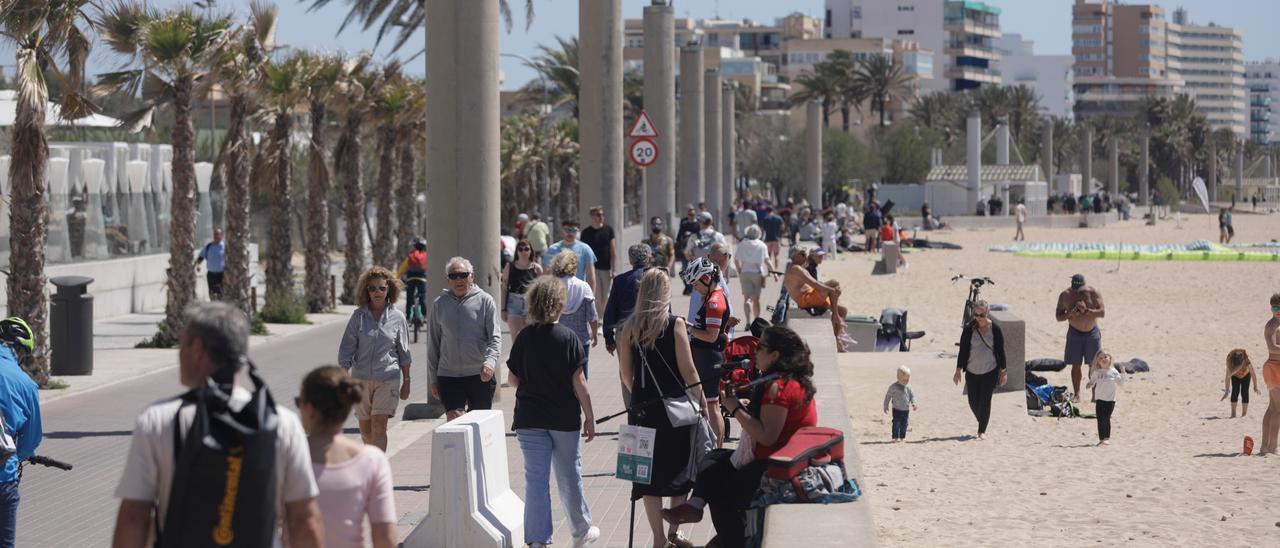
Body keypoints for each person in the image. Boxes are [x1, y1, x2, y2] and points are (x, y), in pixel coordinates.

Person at [112, 303, 322, 547]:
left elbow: (133, 517)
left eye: (182, 344)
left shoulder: (159, 420)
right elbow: (305, 520)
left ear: (197, 348)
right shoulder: (282, 423)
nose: (179, 354)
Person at [662, 326, 818, 548]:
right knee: (713, 459)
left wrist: (735, 409)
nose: (755, 351)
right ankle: (695, 506)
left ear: (775, 355)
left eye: (761, 347)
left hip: (779, 467)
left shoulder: (780, 388)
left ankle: (729, 541)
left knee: (722, 494)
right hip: (776, 460)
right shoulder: (786, 380)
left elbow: (767, 437)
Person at [507, 277, 601, 547]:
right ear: (560, 304)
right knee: (569, 474)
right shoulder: (568, 338)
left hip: (529, 418)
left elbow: (513, 380)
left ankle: (538, 540)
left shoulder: (524, 336)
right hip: (563, 418)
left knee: (535, 480)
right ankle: (580, 530)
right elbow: (579, 384)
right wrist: (590, 418)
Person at [618, 269, 708, 548]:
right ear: (665, 293)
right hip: (674, 412)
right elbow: (689, 370)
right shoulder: (675, 324)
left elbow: (625, 374)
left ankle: (658, 537)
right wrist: (702, 402)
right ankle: (672, 534)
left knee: (646, 477)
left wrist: (642, 396)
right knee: (678, 473)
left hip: (643, 412)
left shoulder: (628, 327)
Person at [297, 366, 396, 548]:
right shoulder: (372, 461)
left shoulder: (288, 459)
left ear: (310, 409)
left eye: (299, 402)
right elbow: (385, 537)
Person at [338, 267, 412, 451]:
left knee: (379, 427)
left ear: (389, 290)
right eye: (372, 288)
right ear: (366, 291)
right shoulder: (358, 317)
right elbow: (347, 349)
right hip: (360, 379)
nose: (377, 292)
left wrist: (407, 381)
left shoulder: (397, 317)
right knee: (366, 431)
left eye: (381, 288)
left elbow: (404, 352)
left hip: (388, 379)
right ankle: (372, 465)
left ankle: (377, 473)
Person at [427, 257, 502, 421]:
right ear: (448, 280)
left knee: (478, 423)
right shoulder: (439, 304)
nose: (458, 279)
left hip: (479, 374)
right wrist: (433, 378)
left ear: (472, 276)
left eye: (463, 275)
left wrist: (490, 362)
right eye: (453, 276)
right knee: (455, 419)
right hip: (449, 374)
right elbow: (433, 343)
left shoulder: (485, 301)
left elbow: (495, 338)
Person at [683, 258, 736, 448]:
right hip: (707, 357)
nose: (695, 288)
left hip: (709, 358)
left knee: (712, 405)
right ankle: (715, 446)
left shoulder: (714, 301)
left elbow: (711, 336)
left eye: (696, 284)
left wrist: (687, 328)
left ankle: (717, 447)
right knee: (711, 403)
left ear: (706, 278)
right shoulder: (714, 296)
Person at [0, 317, 40, 545]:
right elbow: (31, 438)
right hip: (2, 476)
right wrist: (20, 457)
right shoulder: (25, 384)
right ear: (20, 351)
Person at [953, 300, 1007, 440]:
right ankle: (982, 420)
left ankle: (981, 430)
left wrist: (1003, 371)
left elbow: (1000, 351)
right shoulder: (969, 329)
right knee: (972, 401)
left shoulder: (995, 329)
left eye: (981, 314)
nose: (978, 317)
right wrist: (958, 369)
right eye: (975, 314)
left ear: (987, 313)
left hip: (990, 370)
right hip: (972, 370)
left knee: (985, 400)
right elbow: (963, 350)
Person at [782, 247, 854, 351]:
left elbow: (815, 284)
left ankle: (837, 337)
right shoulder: (795, 269)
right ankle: (835, 316)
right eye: (803, 254)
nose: (805, 256)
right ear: (796, 256)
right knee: (833, 283)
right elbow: (814, 284)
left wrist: (831, 290)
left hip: (811, 296)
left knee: (843, 310)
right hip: (805, 300)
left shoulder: (799, 267)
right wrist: (832, 290)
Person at [550, 251, 600, 378]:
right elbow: (592, 316)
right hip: (581, 339)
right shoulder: (584, 287)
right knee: (581, 376)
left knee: (558, 377)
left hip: (556, 339)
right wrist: (594, 334)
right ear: (574, 266)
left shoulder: (551, 286)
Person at [1056, 274, 1105, 402]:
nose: (1077, 291)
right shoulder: (1065, 295)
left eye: (1080, 288)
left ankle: (1095, 395)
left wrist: (1087, 311)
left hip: (1092, 332)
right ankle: (1077, 394)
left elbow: (1102, 312)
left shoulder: (1093, 292)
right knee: (1075, 365)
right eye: (1075, 288)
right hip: (1074, 333)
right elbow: (1058, 317)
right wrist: (1070, 313)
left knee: (1093, 365)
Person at [603, 244, 652, 355]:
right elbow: (665, 308)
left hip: (625, 332)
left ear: (630, 260)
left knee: (626, 371)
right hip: (652, 331)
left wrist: (609, 338)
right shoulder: (658, 277)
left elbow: (611, 310)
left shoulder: (620, 280)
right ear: (649, 258)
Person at [580, 206, 617, 320]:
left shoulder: (608, 230)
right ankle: (599, 319)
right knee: (596, 295)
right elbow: (583, 253)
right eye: (598, 215)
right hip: (592, 269)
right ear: (592, 217)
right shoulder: (586, 233)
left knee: (605, 295)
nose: (601, 217)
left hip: (606, 268)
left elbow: (613, 251)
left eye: (602, 214)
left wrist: (614, 269)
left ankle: (603, 317)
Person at [501, 239, 543, 341]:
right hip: (513, 303)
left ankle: (528, 357)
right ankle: (516, 357)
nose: (523, 252)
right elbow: (504, 288)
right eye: (520, 249)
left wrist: (541, 309)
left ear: (530, 251)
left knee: (530, 339)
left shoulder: (536, 268)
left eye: (526, 249)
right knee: (516, 339)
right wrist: (503, 309)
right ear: (517, 252)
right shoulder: (509, 266)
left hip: (531, 304)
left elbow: (540, 291)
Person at [544, 220, 598, 291]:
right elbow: (546, 274)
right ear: (562, 230)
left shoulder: (585, 249)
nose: (570, 233)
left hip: (578, 291)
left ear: (578, 231)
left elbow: (591, 277)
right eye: (567, 230)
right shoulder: (552, 249)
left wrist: (591, 297)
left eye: (573, 230)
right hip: (557, 291)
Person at [735, 226, 773, 325]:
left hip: (745, 272)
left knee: (747, 298)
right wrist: (773, 272)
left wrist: (739, 270)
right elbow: (767, 260)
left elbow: (736, 259)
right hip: (757, 272)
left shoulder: (742, 244)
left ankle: (747, 321)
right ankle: (756, 320)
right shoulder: (762, 245)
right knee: (756, 299)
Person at [1086, 351, 1124, 446]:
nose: (1103, 359)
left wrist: (1123, 373)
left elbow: (1121, 383)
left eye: (1105, 357)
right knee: (1099, 418)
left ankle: (1107, 438)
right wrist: (1089, 384)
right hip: (1099, 399)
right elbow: (1092, 381)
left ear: (1110, 358)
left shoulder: (1113, 371)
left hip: (1110, 400)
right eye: (1100, 358)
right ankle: (1101, 439)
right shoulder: (1096, 372)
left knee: (1106, 418)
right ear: (1098, 361)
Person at [1259, 293, 1280, 455]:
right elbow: (1272, 348)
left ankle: (1264, 447)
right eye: (1275, 307)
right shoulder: (1272, 326)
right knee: (1278, 409)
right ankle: (1272, 447)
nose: (1278, 310)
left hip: (1275, 368)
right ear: (1271, 309)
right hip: (1273, 368)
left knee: (1272, 408)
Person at [395, 237, 429, 318]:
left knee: (409, 297)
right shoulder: (426, 256)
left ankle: (408, 315)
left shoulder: (411, 256)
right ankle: (425, 315)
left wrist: (396, 276)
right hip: (422, 279)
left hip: (410, 279)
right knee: (422, 297)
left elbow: (402, 268)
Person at [1223, 349, 1262, 418]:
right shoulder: (1230, 361)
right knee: (1235, 391)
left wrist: (1255, 387)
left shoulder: (1247, 361)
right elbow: (1228, 377)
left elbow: (1253, 374)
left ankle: (1244, 414)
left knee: (1245, 392)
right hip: (1235, 376)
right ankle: (1233, 413)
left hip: (1246, 375)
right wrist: (1227, 390)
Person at [883, 365, 918, 442]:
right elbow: (888, 396)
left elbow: (912, 396)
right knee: (896, 423)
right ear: (898, 377)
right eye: (904, 380)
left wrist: (914, 404)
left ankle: (902, 437)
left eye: (907, 380)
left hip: (906, 410)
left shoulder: (909, 387)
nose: (906, 381)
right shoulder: (893, 387)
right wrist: (886, 406)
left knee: (904, 424)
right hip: (896, 409)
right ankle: (895, 437)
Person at [195, 227, 226, 300]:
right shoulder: (209, 246)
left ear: (221, 236)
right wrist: (198, 265)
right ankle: (213, 306)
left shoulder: (225, 247)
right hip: (211, 274)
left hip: (222, 274)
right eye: (215, 234)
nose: (216, 236)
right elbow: (201, 257)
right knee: (212, 292)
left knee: (221, 293)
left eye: (218, 234)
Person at [675, 208, 701, 293]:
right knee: (684, 270)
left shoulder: (698, 224)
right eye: (689, 215)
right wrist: (684, 236)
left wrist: (692, 235)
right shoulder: (684, 224)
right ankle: (687, 286)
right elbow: (678, 238)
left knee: (695, 269)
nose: (691, 216)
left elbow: (700, 237)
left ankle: (692, 287)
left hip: (695, 251)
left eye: (692, 215)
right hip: (685, 251)